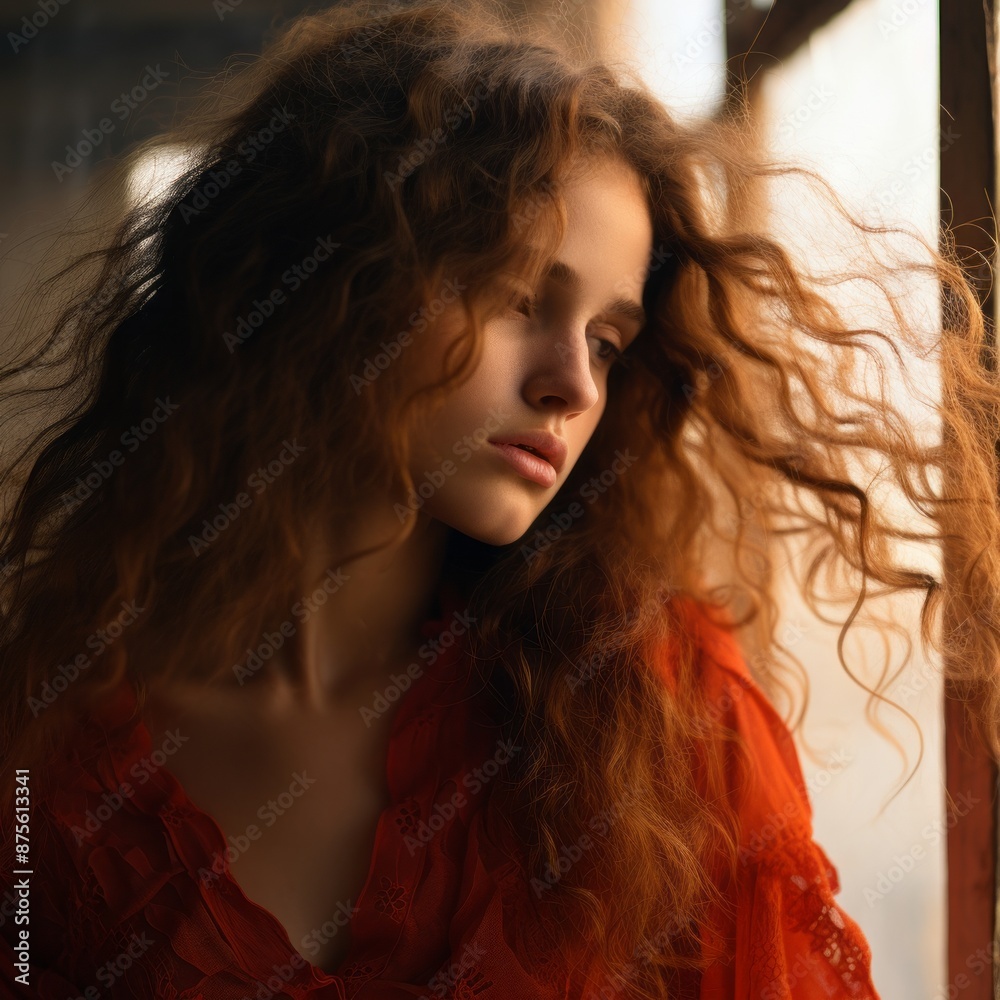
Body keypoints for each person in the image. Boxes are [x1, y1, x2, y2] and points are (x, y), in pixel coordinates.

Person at [1, 0, 998, 996]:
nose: (574, 384)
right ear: (337, 283)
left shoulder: (652, 712)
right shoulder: (45, 750)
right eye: (522, 298)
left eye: (608, 340)